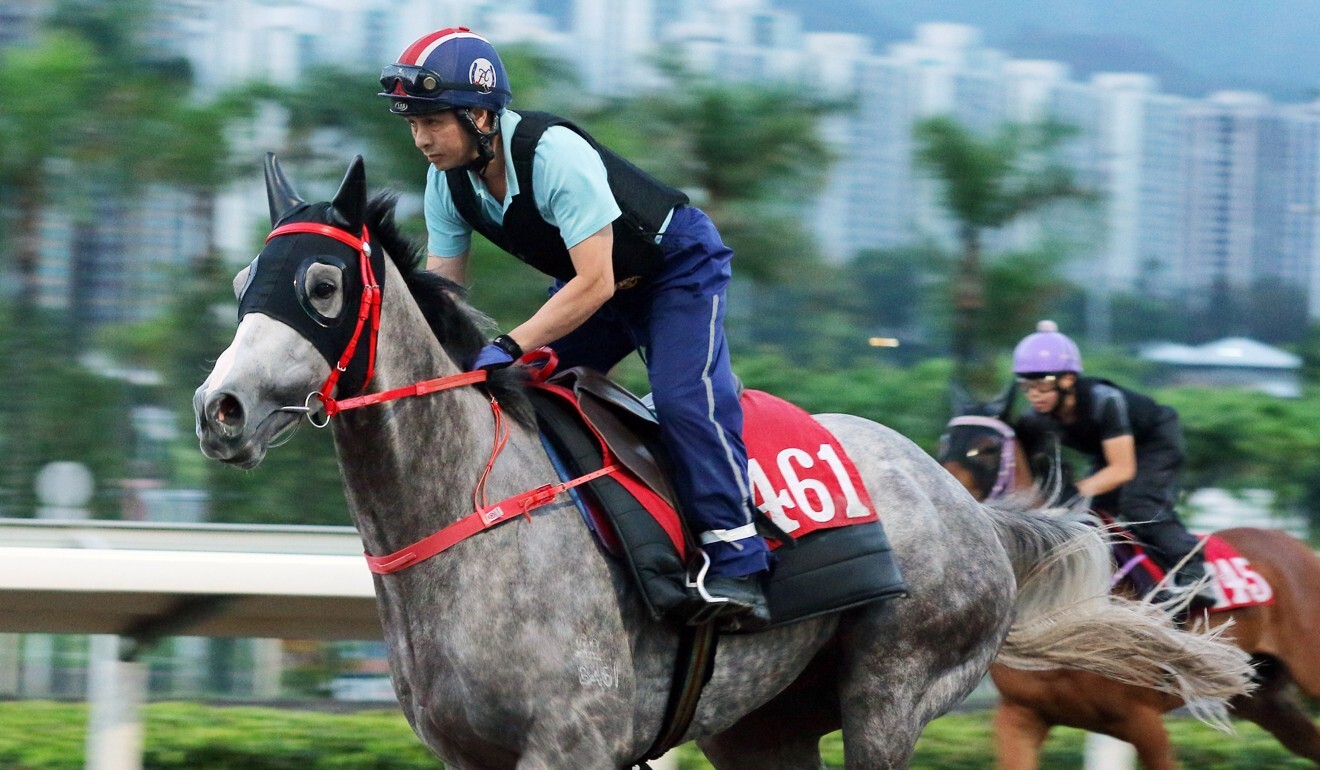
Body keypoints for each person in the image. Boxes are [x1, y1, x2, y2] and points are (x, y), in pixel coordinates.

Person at [379, 27, 770, 626]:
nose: (421, 139)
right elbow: (445, 296)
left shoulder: (554, 153)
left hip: (673, 272)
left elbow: (595, 283)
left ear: (482, 115)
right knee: (523, 393)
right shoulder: (446, 182)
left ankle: (740, 561)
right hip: (596, 288)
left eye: (433, 121)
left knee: (682, 398)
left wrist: (508, 344)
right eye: (411, 124)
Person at [1011, 320, 1217, 610]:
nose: (1034, 394)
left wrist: (1076, 490)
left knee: (1139, 503)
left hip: (1153, 440)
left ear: (1068, 379)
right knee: (1089, 511)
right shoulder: (1034, 417)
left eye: (1042, 383)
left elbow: (1122, 470)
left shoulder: (1105, 401)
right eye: (1026, 385)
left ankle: (1195, 572)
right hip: (1107, 449)